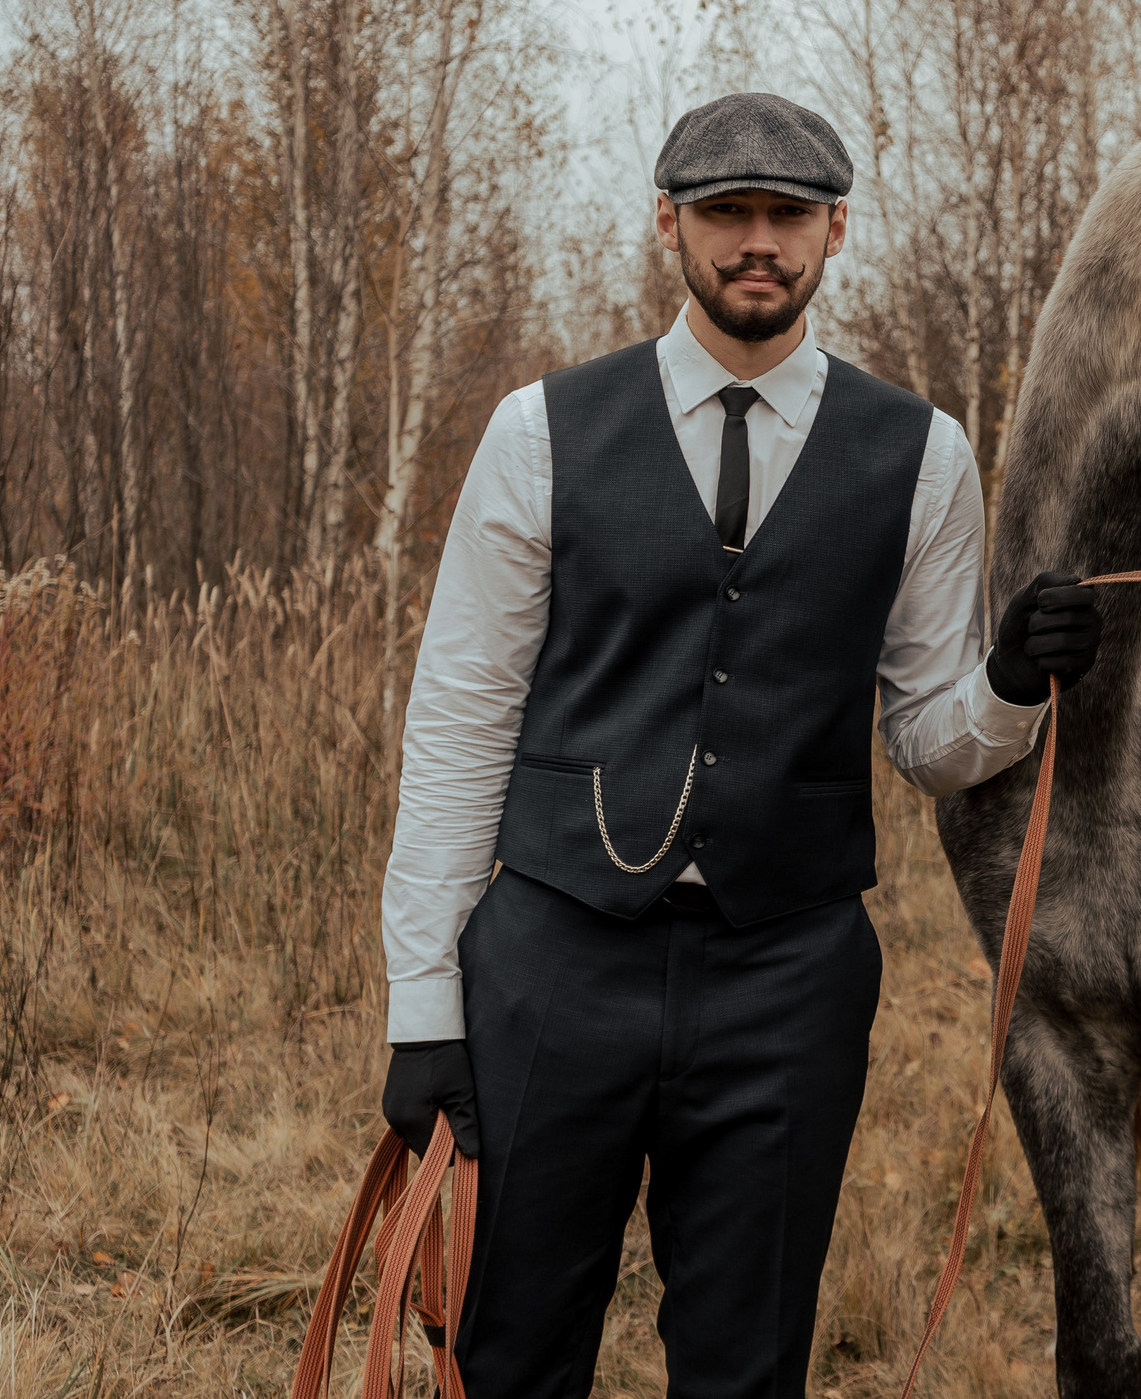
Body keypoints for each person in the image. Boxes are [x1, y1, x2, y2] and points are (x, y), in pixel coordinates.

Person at [375, 92, 1103, 1397]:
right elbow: (461, 719)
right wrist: (423, 1003)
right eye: (726, 212)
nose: (757, 241)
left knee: (747, 1366)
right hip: (552, 961)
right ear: (670, 222)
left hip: (788, 978)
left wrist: (1009, 684)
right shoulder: (541, 432)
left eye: (787, 214)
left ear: (835, 229)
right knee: (509, 1353)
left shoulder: (923, 455)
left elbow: (929, 742)